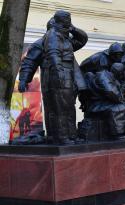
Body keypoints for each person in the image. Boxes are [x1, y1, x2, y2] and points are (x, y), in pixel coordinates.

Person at [27, 11, 88, 145]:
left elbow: (83, 40)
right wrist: (25, 80)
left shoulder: (66, 41)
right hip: (55, 77)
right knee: (58, 109)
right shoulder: (47, 39)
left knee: (67, 107)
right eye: (66, 22)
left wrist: (73, 29)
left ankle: (70, 135)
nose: (66, 25)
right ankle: (60, 136)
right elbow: (30, 62)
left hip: (67, 77)